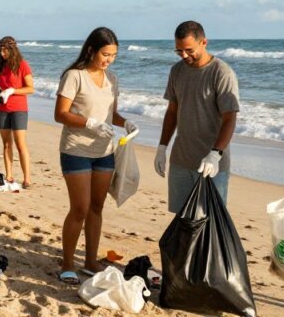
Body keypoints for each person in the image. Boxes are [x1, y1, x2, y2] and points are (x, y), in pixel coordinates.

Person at [54, 27, 138, 284]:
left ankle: (90, 261)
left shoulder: (112, 78)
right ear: (91, 49)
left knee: (97, 207)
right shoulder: (74, 76)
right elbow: (60, 114)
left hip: (105, 151)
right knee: (79, 208)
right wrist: (90, 123)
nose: (108, 60)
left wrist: (126, 122)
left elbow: (111, 113)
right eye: (105, 54)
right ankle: (68, 264)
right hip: (76, 148)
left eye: (113, 55)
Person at [154, 20, 240, 213]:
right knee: (182, 221)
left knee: (208, 223)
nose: (184, 55)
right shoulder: (176, 71)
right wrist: (162, 147)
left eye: (189, 50)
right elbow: (172, 112)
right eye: (179, 51)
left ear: (204, 42)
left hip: (212, 165)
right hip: (181, 160)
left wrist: (215, 154)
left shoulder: (221, 73)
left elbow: (229, 118)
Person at [0, 36, 35, 188]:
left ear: (12, 49)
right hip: (2, 109)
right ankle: (9, 175)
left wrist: (12, 90)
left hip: (19, 109)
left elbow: (30, 88)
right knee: (6, 144)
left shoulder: (22, 65)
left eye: (5, 50)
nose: (2, 53)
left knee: (20, 144)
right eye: (0, 50)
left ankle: (27, 178)